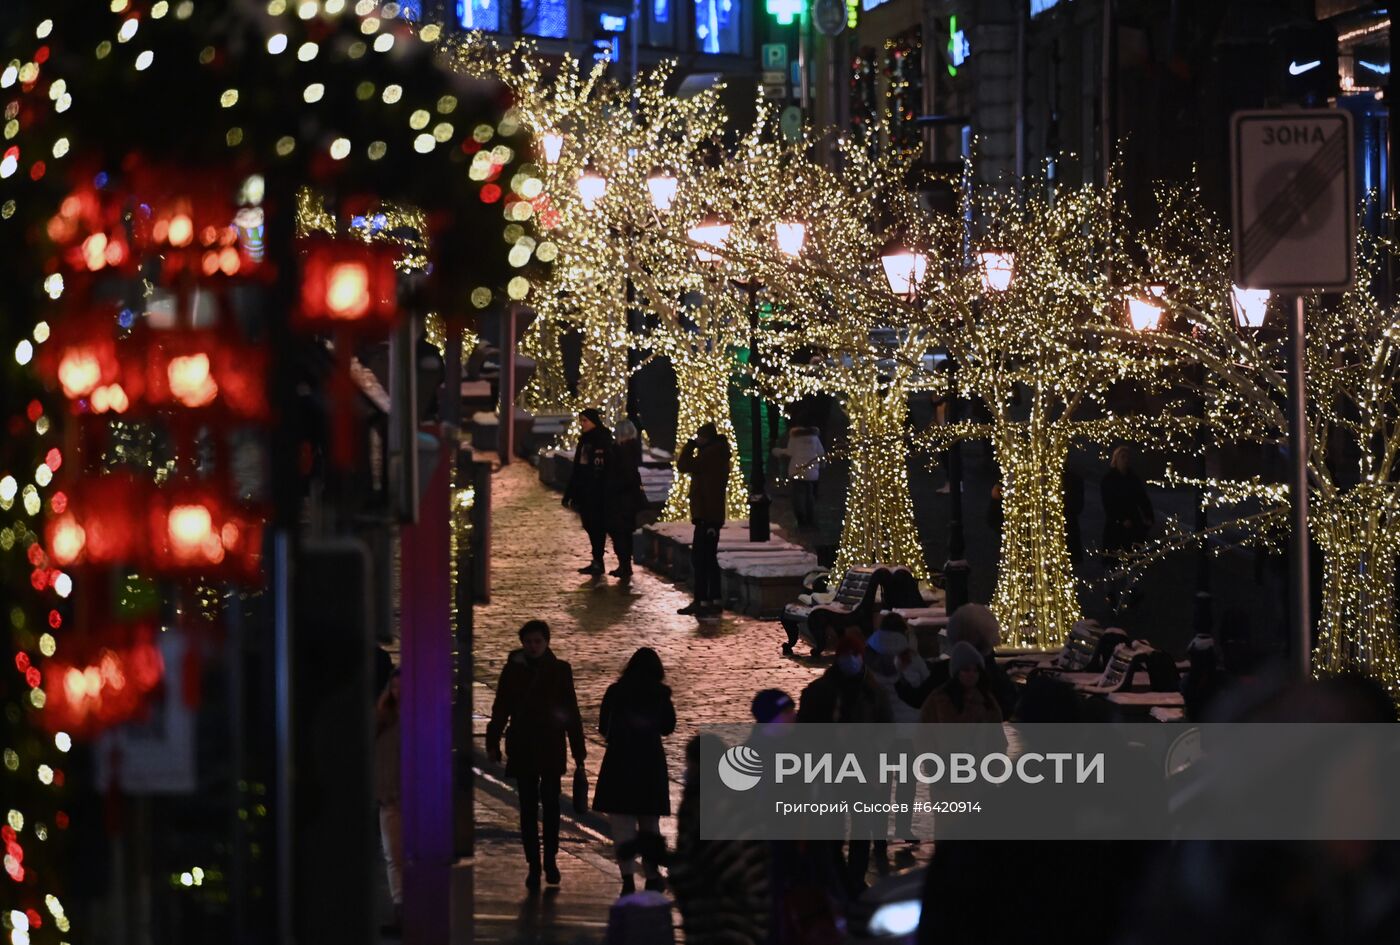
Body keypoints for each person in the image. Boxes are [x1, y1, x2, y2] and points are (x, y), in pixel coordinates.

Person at [486, 620, 586, 890]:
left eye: (537, 642)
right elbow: (501, 708)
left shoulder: (560, 670)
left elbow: (571, 711)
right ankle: (534, 864)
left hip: (551, 744)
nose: (532, 646)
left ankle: (550, 859)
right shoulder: (511, 672)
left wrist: (579, 751)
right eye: (528, 642)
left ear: (546, 642)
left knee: (551, 806)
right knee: (528, 808)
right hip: (523, 745)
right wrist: (492, 740)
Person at [798, 633, 892, 894]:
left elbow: (887, 730)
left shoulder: (873, 692)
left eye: (855, 655)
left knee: (862, 829)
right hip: (830, 769)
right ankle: (837, 878)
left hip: (863, 770)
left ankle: (854, 879)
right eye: (846, 655)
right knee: (832, 830)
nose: (850, 661)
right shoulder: (820, 691)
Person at [670, 734, 772, 945]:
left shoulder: (709, 806)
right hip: (742, 916)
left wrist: (668, 861)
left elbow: (709, 864)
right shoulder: (734, 799)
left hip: (726, 920)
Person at [593, 647, 676, 894]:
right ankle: (652, 876)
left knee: (622, 825)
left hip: (620, 761)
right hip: (650, 763)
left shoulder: (616, 692)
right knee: (650, 825)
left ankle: (628, 877)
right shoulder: (660, 694)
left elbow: (603, 726)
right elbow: (668, 727)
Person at [865, 613, 929, 845]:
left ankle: (879, 832)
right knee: (906, 782)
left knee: (881, 784)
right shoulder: (911, 658)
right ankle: (904, 827)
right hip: (907, 732)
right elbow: (925, 684)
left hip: (879, 733)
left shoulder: (868, 657)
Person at [899, 603, 1018, 721]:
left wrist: (899, 674)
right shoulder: (996, 675)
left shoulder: (946, 672)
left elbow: (917, 699)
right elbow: (1008, 708)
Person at [675, 422, 731, 616]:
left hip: (707, 515)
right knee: (707, 558)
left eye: (699, 437)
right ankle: (711, 599)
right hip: (710, 514)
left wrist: (690, 446)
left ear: (705, 438)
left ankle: (702, 600)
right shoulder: (717, 453)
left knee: (700, 559)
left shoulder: (710, 455)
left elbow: (683, 465)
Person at [563, 408, 620, 577]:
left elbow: (604, 467)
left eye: (585, 421)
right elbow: (578, 469)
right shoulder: (585, 441)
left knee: (597, 527)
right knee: (590, 526)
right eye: (581, 421)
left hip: (598, 493)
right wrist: (570, 493)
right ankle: (597, 560)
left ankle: (599, 560)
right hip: (586, 492)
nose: (582, 424)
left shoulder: (602, 439)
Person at [375, 671, 403, 937]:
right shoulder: (384, 718)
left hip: (404, 797)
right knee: (393, 855)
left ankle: (403, 908)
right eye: (393, 687)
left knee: (399, 856)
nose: (398, 692)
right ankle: (400, 908)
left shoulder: (414, 720)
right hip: (389, 797)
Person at [920, 642, 1005, 725]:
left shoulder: (987, 700)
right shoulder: (939, 699)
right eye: (966, 670)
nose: (971, 674)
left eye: (975, 671)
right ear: (957, 672)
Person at [772, 424, 825, 528]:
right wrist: (822, 465)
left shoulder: (795, 437)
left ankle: (801, 518)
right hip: (811, 471)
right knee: (809, 495)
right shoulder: (814, 437)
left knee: (797, 495)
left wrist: (777, 451)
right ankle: (810, 517)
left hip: (797, 471)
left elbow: (790, 452)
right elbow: (821, 452)